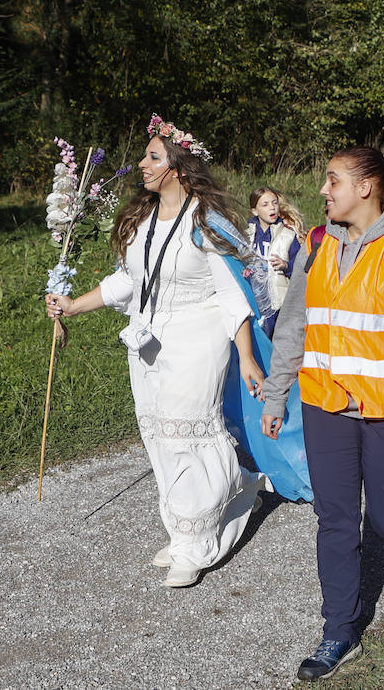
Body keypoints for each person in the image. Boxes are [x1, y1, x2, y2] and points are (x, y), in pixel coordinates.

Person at [45, 119, 308, 591]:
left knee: (187, 433)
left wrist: (247, 358)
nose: (142, 165)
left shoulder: (207, 222)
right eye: (146, 157)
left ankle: (197, 544)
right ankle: (199, 515)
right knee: (159, 436)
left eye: (153, 157)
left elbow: (233, 297)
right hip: (146, 340)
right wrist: (73, 305)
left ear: (180, 168)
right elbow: (128, 281)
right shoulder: (142, 221)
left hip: (199, 337)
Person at [260, 146, 384, 682]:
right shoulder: (316, 244)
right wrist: (277, 391)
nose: (323, 192)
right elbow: (294, 324)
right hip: (326, 403)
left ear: (367, 188)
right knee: (336, 518)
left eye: (333, 182)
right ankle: (338, 629)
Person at [247, 186, 305, 335]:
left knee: (275, 343)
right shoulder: (247, 235)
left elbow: (301, 266)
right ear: (255, 211)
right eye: (265, 205)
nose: (272, 208)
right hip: (253, 301)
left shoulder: (288, 235)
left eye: (275, 203)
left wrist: (286, 265)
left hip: (279, 302)